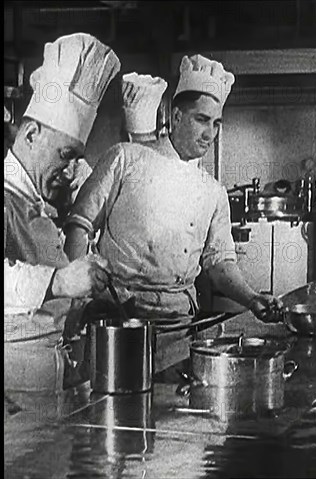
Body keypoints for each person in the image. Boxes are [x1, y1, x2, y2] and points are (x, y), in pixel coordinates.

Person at [63, 57, 281, 331]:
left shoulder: (212, 191)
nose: (209, 133)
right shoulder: (125, 158)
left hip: (178, 320)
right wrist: (72, 296)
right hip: (117, 314)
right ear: (177, 117)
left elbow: (220, 262)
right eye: (202, 120)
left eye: (216, 123)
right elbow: (80, 224)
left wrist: (251, 298)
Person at [4, 33, 121, 392]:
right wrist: (60, 282)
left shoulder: (37, 204)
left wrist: (86, 291)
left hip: (46, 378)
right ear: (32, 134)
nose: (70, 171)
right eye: (65, 154)